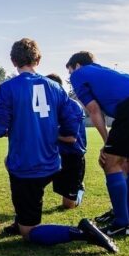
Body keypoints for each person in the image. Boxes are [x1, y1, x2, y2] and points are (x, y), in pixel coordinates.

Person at [0, 38, 117, 253]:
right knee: (19, 179)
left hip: (26, 167)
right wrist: (53, 131)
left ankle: (81, 232)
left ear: (13, 61)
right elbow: (73, 120)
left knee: (29, 233)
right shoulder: (55, 88)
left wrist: (16, 125)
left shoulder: (8, 88)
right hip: (53, 162)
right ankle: (21, 218)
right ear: (38, 60)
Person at [66, 52, 129, 236]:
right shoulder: (106, 72)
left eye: (70, 71)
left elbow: (94, 110)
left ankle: (121, 222)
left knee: (110, 162)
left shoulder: (79, 73)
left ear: (77, 66)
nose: (70, 75)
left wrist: (107, 142)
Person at [46, 73, 86, 209]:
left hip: (72, 155)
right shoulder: (46, 106)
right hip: (53, 154)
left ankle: (79, 189)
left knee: (68, 205)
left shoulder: (72, 107)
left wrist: (48, 135)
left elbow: (71, 138)